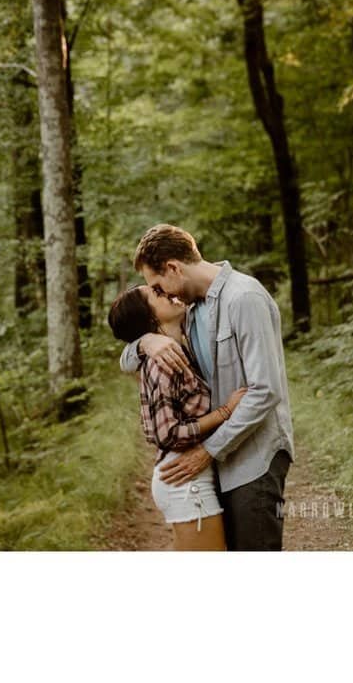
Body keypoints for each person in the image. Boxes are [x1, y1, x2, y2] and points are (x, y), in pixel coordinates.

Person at [118, 224, 294, 551]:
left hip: (252, 458)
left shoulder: (244, 298)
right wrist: (145, 342)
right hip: (220, 464)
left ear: (173, 267)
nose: (163, 294)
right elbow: (128, 357)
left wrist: (208, 450)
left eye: (157, 285)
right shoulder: (191, 309)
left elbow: (265, 390)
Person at [108, 285, 249, 550]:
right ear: (150, 319)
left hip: (189, 480)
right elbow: (168, 434)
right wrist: (225, 412)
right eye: (158, 295)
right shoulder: (161, 362)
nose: (168, 293)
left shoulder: (178, 349)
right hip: (185, 482)